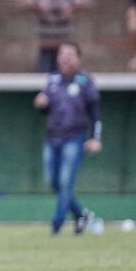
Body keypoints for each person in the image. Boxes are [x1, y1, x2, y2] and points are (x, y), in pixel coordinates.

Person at [33, 42, 101, 235]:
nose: (65, 58)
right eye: (62, 54)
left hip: (75, 137)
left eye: (70, 54)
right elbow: (46, 108)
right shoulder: (52, 79)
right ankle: (81, 214)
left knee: (65, 182)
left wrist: (96, 138)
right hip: (52, 137)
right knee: (52, 181)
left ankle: (57, 224)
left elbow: (96, 113)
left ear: (78, 58)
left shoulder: (85, 81)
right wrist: (41, 104)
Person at [21, 0, 92, 73]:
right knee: (43, 71)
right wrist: (37, 6)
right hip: (46, 42)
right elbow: (22, 2)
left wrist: (72, 6)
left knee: (63, 69)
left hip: (63, 42)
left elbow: (88, 2)